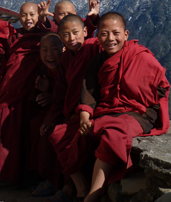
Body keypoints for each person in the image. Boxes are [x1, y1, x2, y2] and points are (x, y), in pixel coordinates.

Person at [69, 12, 169, 202]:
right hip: (107, 112)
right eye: (104, 34)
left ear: (126, 34)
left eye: (116, 33)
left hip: (139, 114)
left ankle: (92, 196)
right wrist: (84, 114)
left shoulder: (140, 56)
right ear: (97, 37)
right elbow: (88, 90)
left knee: (113, 133)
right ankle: (71, 187)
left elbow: (161, 85)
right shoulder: (97, 62)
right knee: (73, 134)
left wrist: (145, 100)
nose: (110, 39)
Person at [0, 2, 49, 193]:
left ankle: (18, 175)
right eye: (24, 15)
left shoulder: (44, 37)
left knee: (23, 135)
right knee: (1, 132)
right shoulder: (14, 37)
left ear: (38, 15)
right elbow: (6, 65)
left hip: (30, 94)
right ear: (19, 17)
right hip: (9, 91)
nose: (28, 19)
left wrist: (44, 19)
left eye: (32, 14)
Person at [44, 14, 102, 202]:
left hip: (98, 108)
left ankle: (78, 189)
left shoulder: (94, 47)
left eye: (76, 33)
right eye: (66, 35)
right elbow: (60, 92)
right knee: (55, 133)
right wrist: (50, 118)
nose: (72, 39)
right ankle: (80, 187)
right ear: (60, 37)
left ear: (85, 32)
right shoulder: (66, 59)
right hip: (74, 112)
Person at [28, 33, 65, 197]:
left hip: (68, 114)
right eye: (44, 50)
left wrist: (50, 95)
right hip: (52, 110)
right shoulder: (43, 70)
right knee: (35, 123)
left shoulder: (69, 67)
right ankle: (39, 175)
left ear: (63, 49)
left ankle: (54, 181)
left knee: (49, 131)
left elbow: (73, 95)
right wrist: (45, 93)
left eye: (54, 49)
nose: (49, 55)